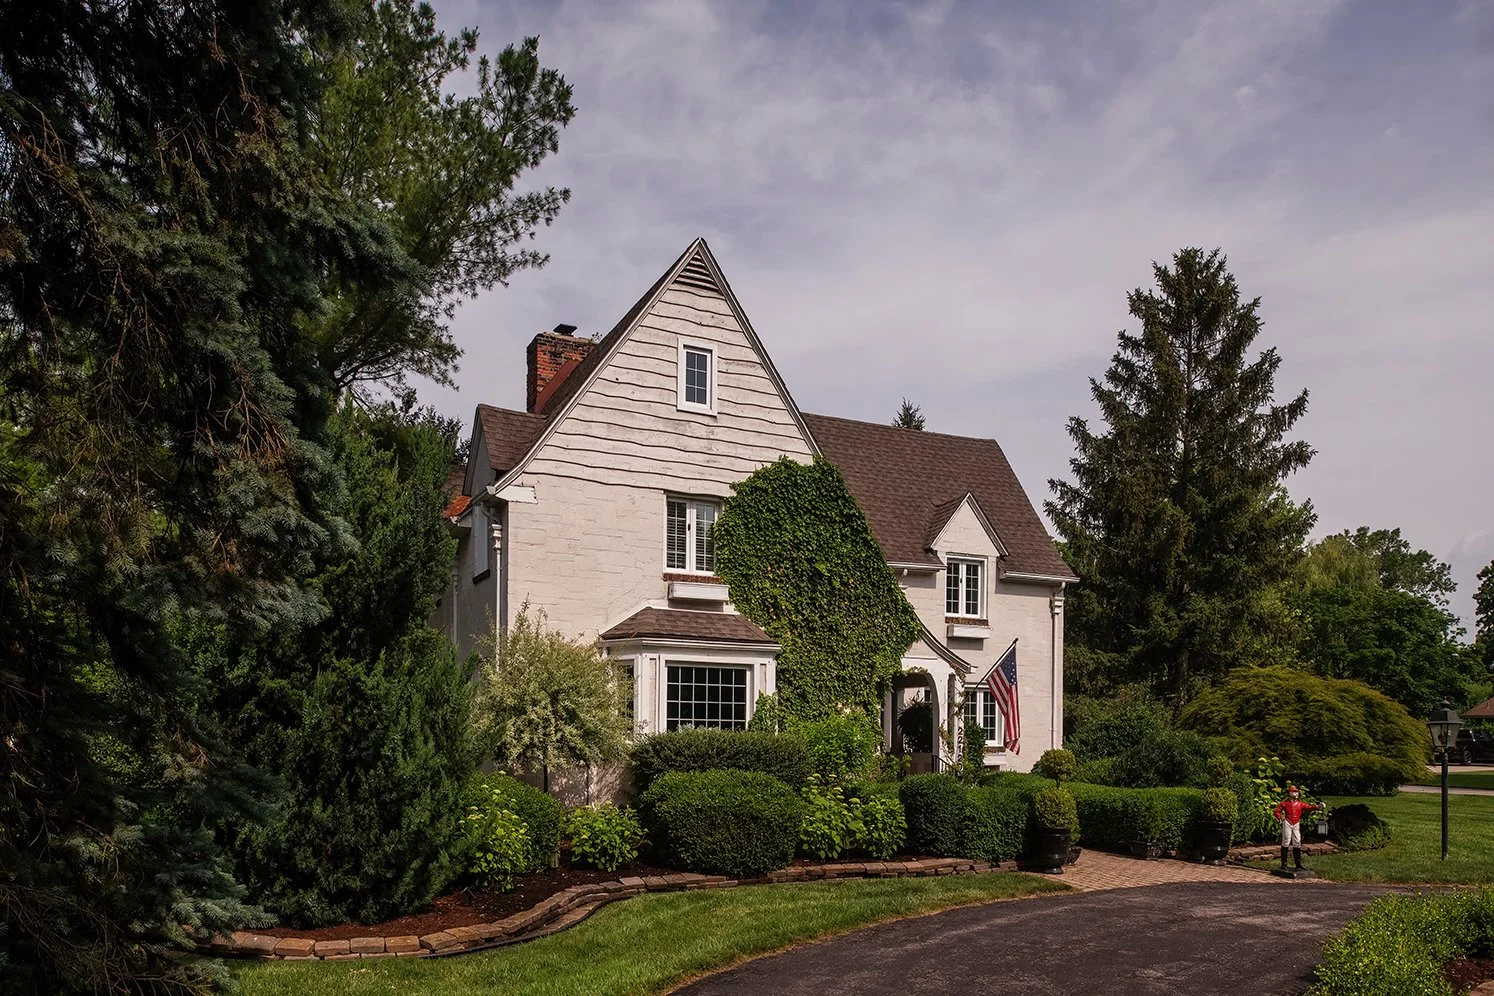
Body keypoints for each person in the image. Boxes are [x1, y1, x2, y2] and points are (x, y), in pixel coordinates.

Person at [1273, 785, 1320, 871]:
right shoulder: (1285, 803)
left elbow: (1308, 808)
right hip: (1287, 822)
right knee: (1286, 841)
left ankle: (1298, 864)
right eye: (1294, 792)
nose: (1296, 793)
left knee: (1297, 842)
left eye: (1297, 792)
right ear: (1289, 793)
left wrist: (1317, 807)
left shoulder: (1300, 804)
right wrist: (1279, 818)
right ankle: (1284, 864)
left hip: (1296, 823)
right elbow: (1277, 811)